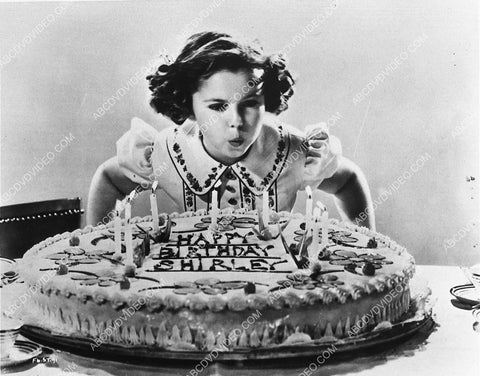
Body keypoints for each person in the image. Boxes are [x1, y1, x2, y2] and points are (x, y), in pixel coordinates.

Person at [87, 31, 374, 229]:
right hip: (198, 296)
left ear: (267, 101)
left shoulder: (293, 151)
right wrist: (100, 248)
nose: (236, 121)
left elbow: (348, 181)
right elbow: (110, 178)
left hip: (280, 294)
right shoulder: (166, 153)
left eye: (249, 103)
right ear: (189, 105)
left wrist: (366, 244)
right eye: (217, 107)